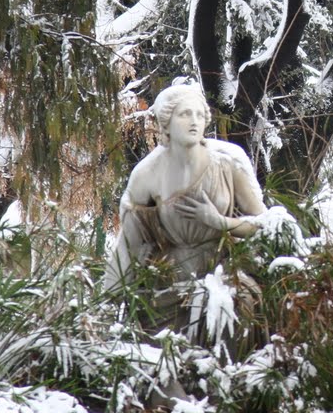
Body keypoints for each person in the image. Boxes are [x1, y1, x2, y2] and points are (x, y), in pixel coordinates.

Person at [105, 81, 267, 329]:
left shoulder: (227, 166)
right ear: (166, 123)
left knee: (236, 311)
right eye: (185, 114)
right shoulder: (147, 174)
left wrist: (220, 222)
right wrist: (108, 302)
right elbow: (129, 243)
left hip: (222, 273)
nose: (195, 121)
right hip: (170, 280)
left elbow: (264, 226)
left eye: (200, 114)